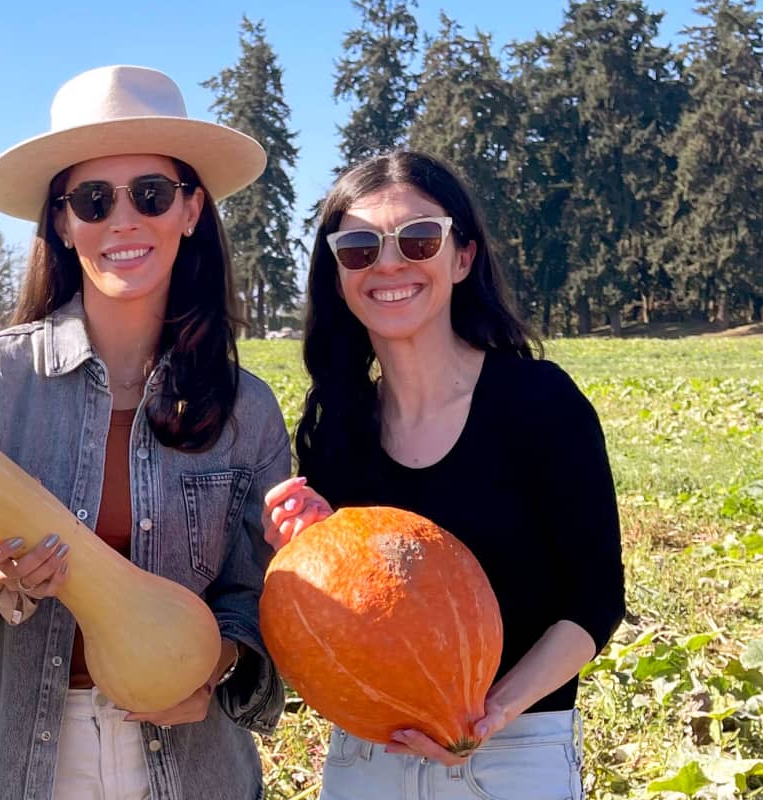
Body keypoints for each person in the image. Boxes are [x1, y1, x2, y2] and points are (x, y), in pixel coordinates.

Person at [0, 65, 290, 800]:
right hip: (9, 766)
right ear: (61, 221)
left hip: (192, 764)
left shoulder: (248, 412)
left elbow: (261, 601)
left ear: (191, 210)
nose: (122, 221)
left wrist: (214, 666)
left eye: (151, 195)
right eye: (92, 200)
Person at [264, 150, 625, 799]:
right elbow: (352, 615)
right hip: (366, 758)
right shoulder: (335, 430)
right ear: (338, 274)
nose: (390, 263)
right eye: (359, 248)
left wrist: (487, 713)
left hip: (516, 750)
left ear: (462, 257)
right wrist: (302, 552)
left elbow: (595, 598)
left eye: (419, 238)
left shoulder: (539, 404)